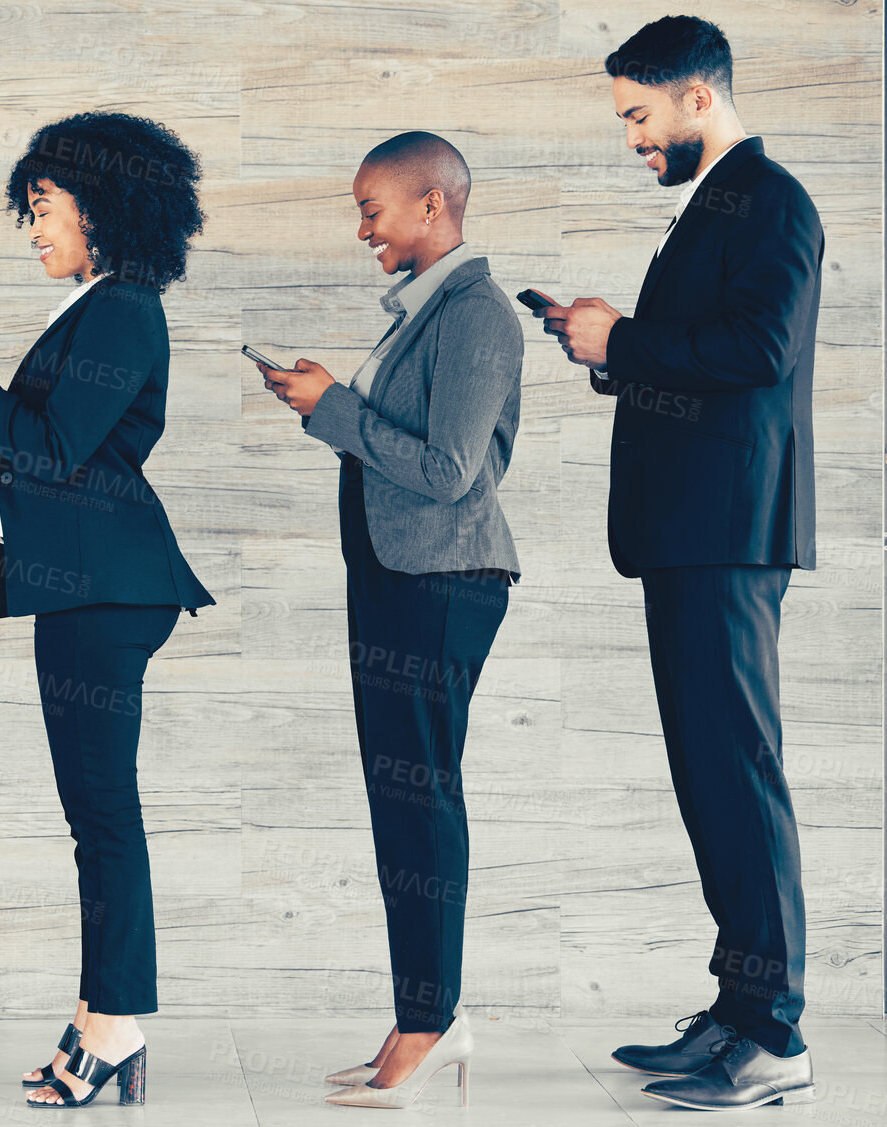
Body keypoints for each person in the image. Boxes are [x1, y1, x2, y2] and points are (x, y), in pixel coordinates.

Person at [0, 111, 214, 1109]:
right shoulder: (97, 305)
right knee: (96, 815)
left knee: (103, 817)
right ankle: (98, 1014)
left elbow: (45, 447)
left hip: (106, 588)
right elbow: (42, 444)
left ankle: (115, 1024)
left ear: (104, 205)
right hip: (89, 584)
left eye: (44, 208)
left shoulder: (122, 308)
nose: (34, 228)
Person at [538, 15, 821, 1112]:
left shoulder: (774, 200)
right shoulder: (720, 204)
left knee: (739, 777)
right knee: (710, 777)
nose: (630, 139)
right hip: (688, 532)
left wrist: (625, 340)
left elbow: (759, 349)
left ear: (697, 99)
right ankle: (736, 1010)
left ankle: (776, 1034)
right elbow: (706, 355)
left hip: (728, 533)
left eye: (637, 116)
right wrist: (605, 347)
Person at [257, 131, 521, 1111]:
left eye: (373, 207)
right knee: (401, 799)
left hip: (442, 578)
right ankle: (420, 1009)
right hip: (400, 576)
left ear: (432, 205)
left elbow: (452, 471)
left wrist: (332, 407)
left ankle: (430, 1017)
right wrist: (335, 400)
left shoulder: (477, 313)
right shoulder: (427, 316)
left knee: (420, 797)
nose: (361, 226)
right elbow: (410, 447)